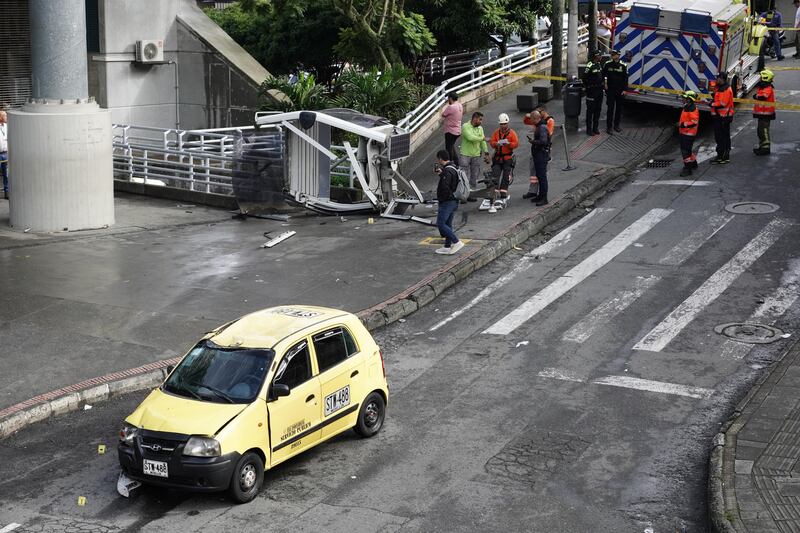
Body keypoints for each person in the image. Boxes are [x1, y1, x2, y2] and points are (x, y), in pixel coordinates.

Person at [434, 150, 464, 255]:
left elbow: (445, 187)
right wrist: (441, 175)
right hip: (454, 200)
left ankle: (456, 242)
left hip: (447, 201)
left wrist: (441, 198)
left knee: (441, 224)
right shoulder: (454, 168)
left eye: (438, 159)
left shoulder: (447, 171)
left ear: (441, 159)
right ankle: (447, 246)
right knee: (448, 224)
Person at [488, 113, 519, 205]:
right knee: (495, 175)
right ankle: (495, 192)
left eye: (504, 124)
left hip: (507, 158)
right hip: (497, 158)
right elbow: (492, 142)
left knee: (506, 176)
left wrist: (509, 144)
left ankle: (503, 191)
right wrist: (495, 144)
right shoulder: (496, 133)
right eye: (501, 124)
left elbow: (516, 143)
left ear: (507, 123)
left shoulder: (512, 133)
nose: (503, 126)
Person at [459, 112, 490, 198]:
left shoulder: (480, 128)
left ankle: (471, 195)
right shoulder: (465, 126)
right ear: (475, 118)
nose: (481, 122)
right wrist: (483, 138)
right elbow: (470, 138)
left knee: (474, 176)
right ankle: (463, 195)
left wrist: (486, 152)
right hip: (465, 155)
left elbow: (482, 142)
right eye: (480, 119)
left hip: (476, 155)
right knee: (463, 176)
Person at [708, 72, 734, 164]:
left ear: (722, 79)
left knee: (722, 137)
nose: (716, 80)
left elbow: (722, 104)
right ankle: (721, 156)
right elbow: (718, 99)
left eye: (718, 78)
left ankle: (723, 156)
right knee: (720, 137)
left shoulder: (725, 89)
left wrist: (711, 104)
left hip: (723, 117)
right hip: (720, 117)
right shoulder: (721, 88)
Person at [526, 110, 551, 206]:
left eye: (531, 119)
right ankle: (540, 195)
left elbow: (543, 142)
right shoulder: (539, 126)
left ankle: (544, 198)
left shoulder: (542, 127)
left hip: (541, 155)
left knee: (542, 177)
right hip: (538, 155)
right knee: (539, 177)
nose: (530, 121)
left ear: (535, 118)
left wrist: (533, 142)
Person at [603, 49, 628, 134]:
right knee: (610, 109)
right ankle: (609, 127)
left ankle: (616, 125)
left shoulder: (623, 65)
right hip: (610, 90)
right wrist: (605, 83)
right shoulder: (607, 64)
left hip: (620, 90)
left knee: (619, 109)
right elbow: (604, 75)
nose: (612, 55)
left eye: (614, 54)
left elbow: (625, 78)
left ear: (618, 55)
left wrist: (625, 89)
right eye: (612, 54)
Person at [752, 69, 776, 155]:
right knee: (760, 131)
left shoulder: (768, 88)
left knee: (764, 131)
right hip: (762, 113)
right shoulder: (763, 86)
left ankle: (765, 148)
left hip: (765, 114)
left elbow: (763, 97)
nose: (760, 78)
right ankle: (762, 146)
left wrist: (756, 96)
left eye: (761, 77)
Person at [677, 91, 700, 176]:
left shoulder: (692, 109)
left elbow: (694, 122)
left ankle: (687, 169)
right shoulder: (688, 106)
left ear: (689, 100)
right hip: (686, 133)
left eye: (684, 98)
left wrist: (682, 125)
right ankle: (693, 164)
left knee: (685, 152)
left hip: (688, 134)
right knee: (688, 150)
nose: (682, 99)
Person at [583, 49, 605, 136]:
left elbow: (602, 76)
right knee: (590, 111)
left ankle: (595, 128)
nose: (601, 57)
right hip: (592, 91)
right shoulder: (589, 65)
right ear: (596, 56)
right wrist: (588, 87)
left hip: (599, 90)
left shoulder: (599, 65)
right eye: (600, 55)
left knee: (598, 110)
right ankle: (589, 129)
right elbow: (584, 78)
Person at [441, 92, 463, 163]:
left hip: (450, 131)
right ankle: (456, 162)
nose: (448, 100)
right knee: (451, 146)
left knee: (448, 148)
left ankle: (450, 163)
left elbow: (443, 114)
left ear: (450, 98)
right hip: (457, 130)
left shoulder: (451, 107)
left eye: (448, 99)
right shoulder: (460, 105)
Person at [0, 110, 7, 199]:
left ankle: (7, 192)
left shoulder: (7, 126)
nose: (6, 117)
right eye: (5, 116)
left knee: (6, 174)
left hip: (5, 153)